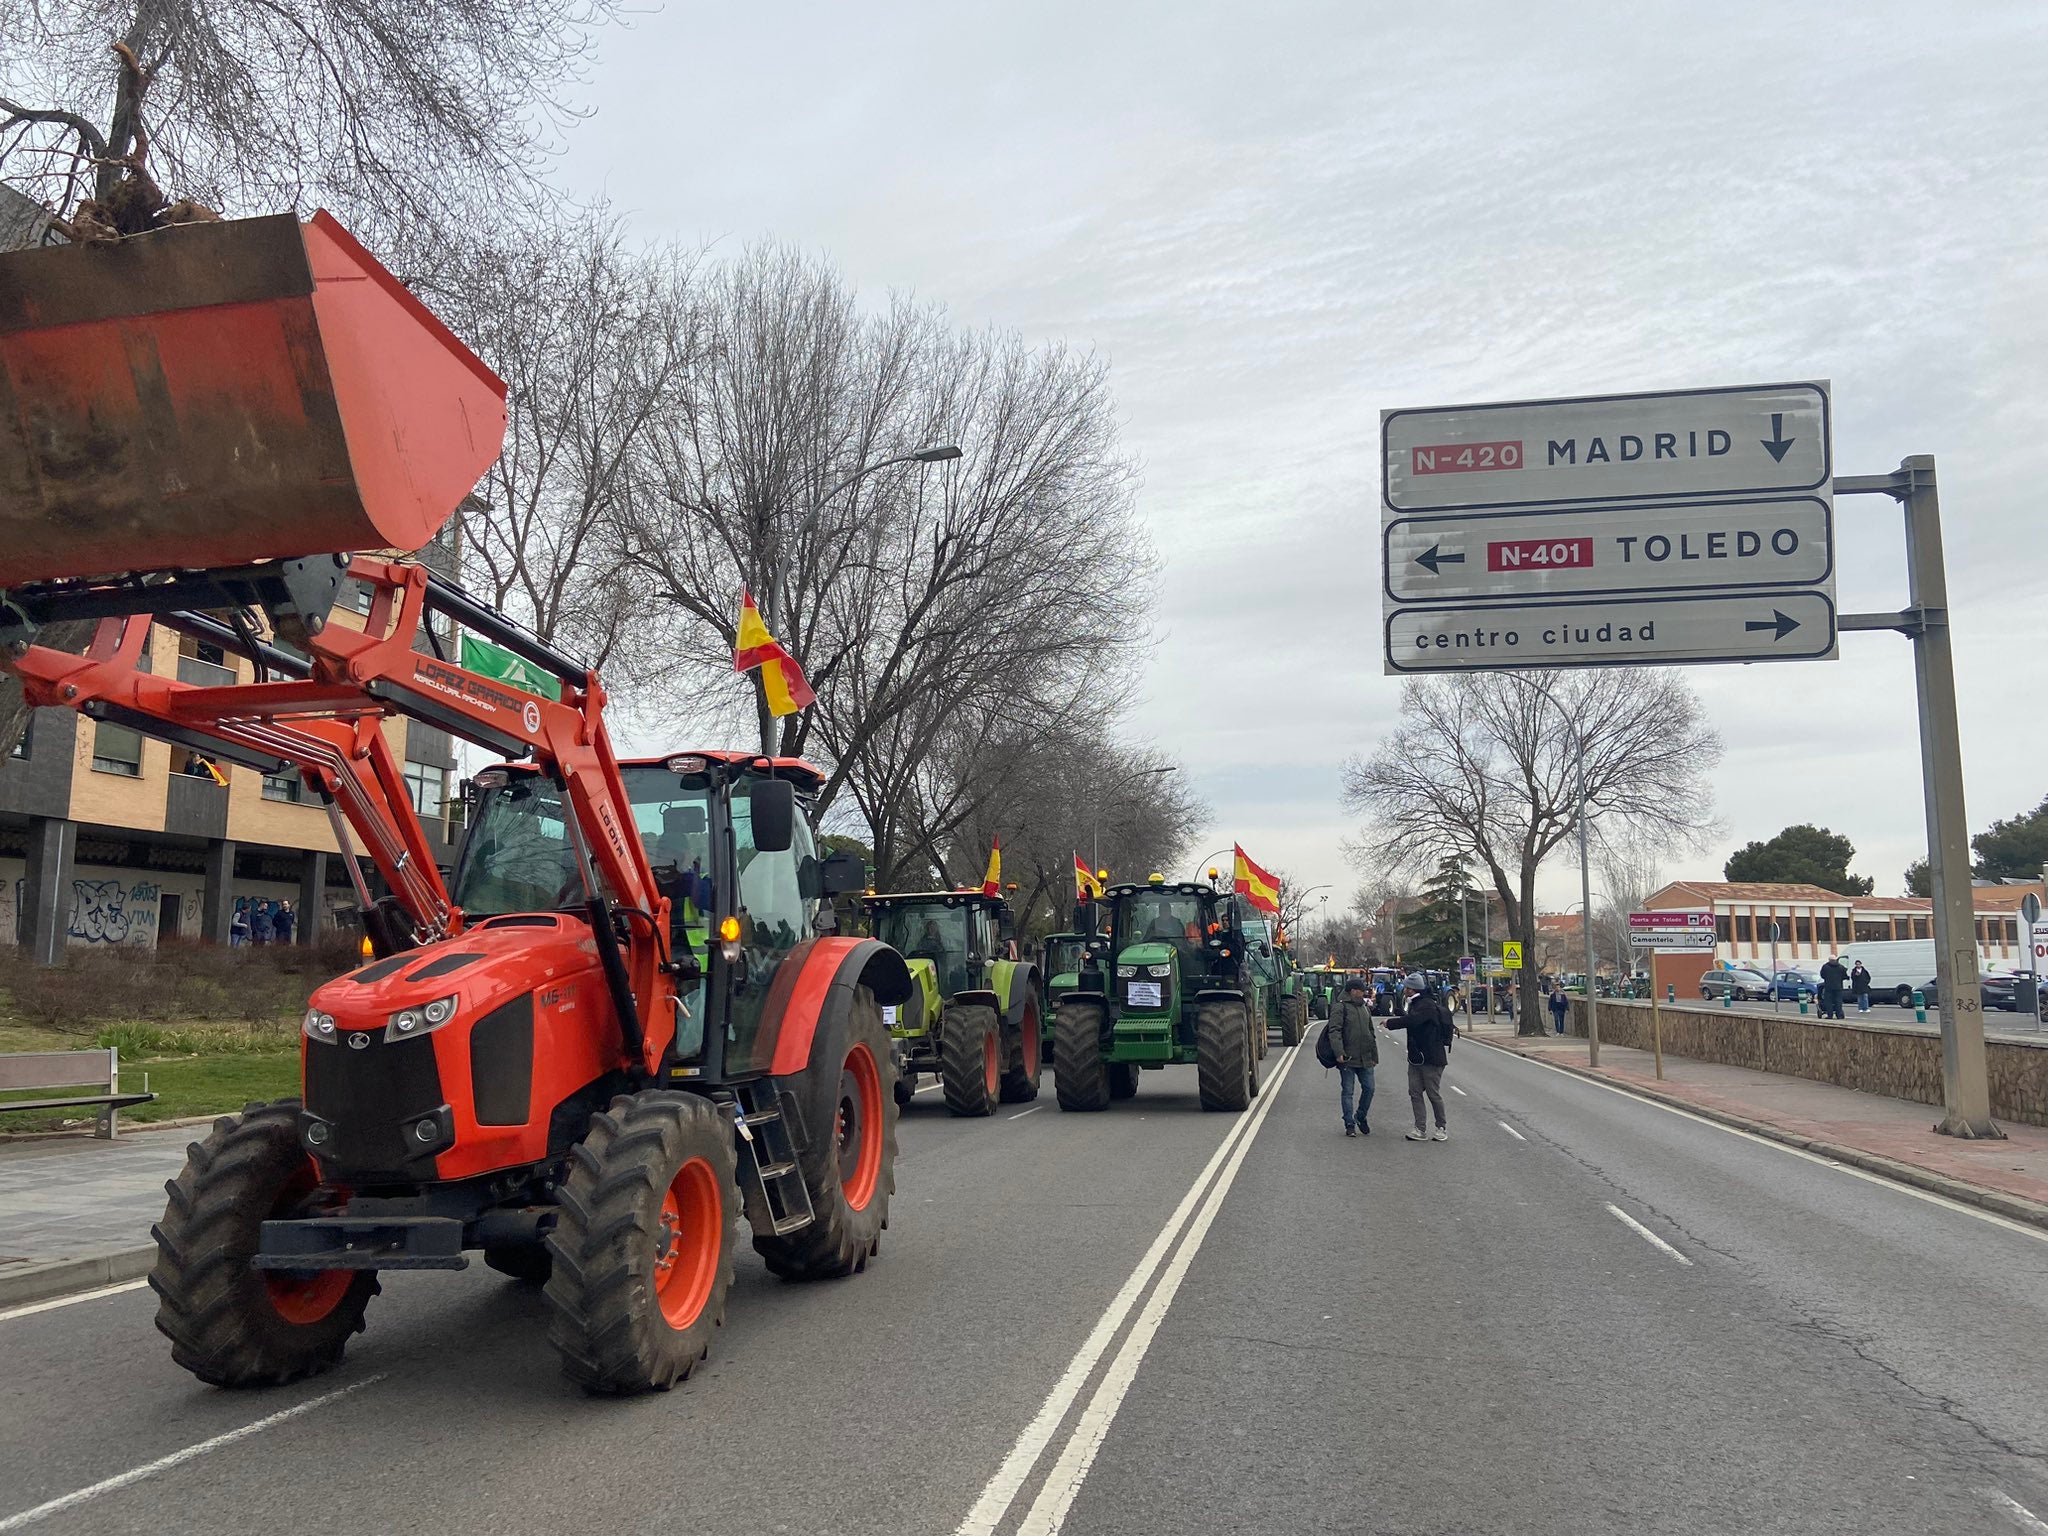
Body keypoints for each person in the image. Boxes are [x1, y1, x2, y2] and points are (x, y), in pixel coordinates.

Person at [1386, 972, 1456, 1142]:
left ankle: (1441, 1127)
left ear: (1412, 989)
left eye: (1406, 987)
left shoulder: (1426, 1005)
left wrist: (1390, 1023)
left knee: (1433, 1093)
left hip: (1432, 1059)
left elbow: (1413, 1021)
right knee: (1415, 1092)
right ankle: (1420, 1128)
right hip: (1417, 1058)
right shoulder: (1415, 1003)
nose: (1404, 989)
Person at [1327, 976, 1378, 1137]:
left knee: (1369, 1089)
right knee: (1348, 1091)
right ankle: (1349, 1123)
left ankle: (1360, 1116)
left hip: (1366, 1057)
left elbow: (1371, 1032)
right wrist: (1339, 1052)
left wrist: (1374, 1055)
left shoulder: (1364, 1008)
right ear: (1353, 991)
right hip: (1348, 1058)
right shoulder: (1340, 1007)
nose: (1363, 993)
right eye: (1361, 990)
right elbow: (1334, 1031)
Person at [1819, 954, 1848, 1019]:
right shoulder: (1841, 967)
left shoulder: (1825, 967)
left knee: (1828, 1001)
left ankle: (1830, 1015)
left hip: (1828, 987)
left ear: (1829, 960)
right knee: (1838, 1001)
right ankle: (1839, 1015)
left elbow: (1822, 975)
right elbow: (1845, 976)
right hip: (1838, 987)